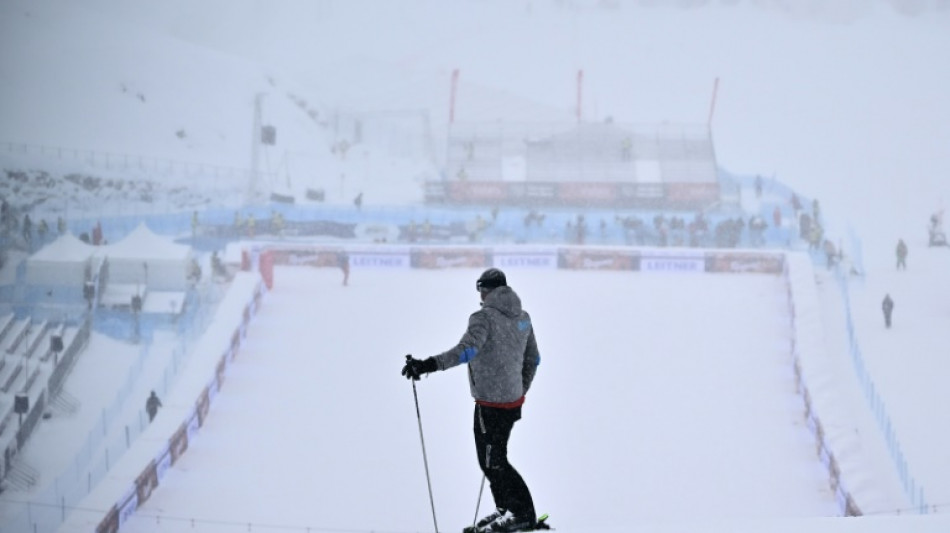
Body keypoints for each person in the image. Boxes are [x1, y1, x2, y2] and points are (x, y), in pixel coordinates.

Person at [401, 268, 540, 533]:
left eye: (481, 291)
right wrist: (520, 389)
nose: (480, 296)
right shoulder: (523, 318)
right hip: (512, 403)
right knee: (495, 459)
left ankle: (522, 514)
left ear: (485, 290)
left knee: (493, 461)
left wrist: (428, 365)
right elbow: (534, 359)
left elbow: (466, 351)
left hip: (490, 404)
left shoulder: (483, 318)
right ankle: (506, 509)